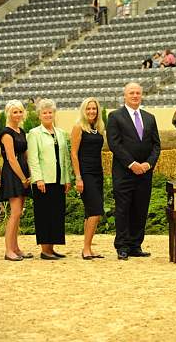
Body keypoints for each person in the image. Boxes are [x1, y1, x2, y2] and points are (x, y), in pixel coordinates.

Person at [107, 82, 161, 260]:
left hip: (145, 173)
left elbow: (156, 145)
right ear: (125, 95)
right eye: (131, 93)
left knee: (140, 208)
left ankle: (136, 244)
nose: (135, 96)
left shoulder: (150, 117)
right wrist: (132, 164)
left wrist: (148, 164)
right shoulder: (115, 117)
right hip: (124, 173)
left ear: (142, 95)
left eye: (138, 93)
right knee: (123, 209)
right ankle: (122, 246)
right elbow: (115, 144)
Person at [27, 99, 72, 260]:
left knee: (56, 214)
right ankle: (45, 250)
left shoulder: (60, 133)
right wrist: (38, 179)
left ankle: (52, 249)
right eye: (44, 112)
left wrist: (67, 179)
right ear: (39, 115)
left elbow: (65, 158)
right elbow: (33, 159)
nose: (47, 115)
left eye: (50, 112)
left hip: (58, 180)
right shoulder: (34, 133)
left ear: (54, 114)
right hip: (43, 181)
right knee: (44, 214)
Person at [71, 98, 106, 260]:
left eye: (94, 109)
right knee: (96, 211)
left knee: (90, 212)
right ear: (84, 110)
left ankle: (88, 248)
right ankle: (86, 248)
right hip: (85, 174)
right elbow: (74, 153)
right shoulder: (79, 127)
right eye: (89, 109)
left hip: (97, 173)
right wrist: (78, 177)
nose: (92, 111)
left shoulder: (97, 128)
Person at [0, 100, 33, 261]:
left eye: (20, 111)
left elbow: (25, 154)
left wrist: (30, 174)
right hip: (13, 174)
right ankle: (8, 250)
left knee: (18, 213)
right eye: (15, 112)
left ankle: (16, 248)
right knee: (15, 213)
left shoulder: (21, 130)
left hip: (23, 173)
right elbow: (11, 159)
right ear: (9, 113)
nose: (18, 114)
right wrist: (22, 178)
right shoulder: (7, 133)